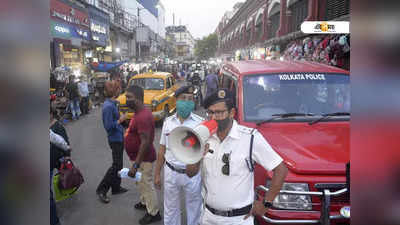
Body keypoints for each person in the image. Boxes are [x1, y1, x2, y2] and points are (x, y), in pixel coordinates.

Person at [186, 89, 288, 225]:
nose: (214, 117)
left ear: (232, 113)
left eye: (219, 112)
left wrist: (266, 204)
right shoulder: (204, 136)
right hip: (208, 217)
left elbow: (281, 169)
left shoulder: (250, 138)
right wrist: (197, 154)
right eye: (210, 112)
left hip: (239, 219)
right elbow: (190, 173)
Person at [154, 86, 204, 225]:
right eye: (183, 98)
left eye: (190, 99)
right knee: (171, 209)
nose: (187, 101)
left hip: (192, 174)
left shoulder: (200, 123)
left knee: (194, 209)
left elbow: (204, 152)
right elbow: (162, 150)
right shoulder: (168, 122)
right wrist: (157, 173)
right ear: (176, 100)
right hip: (171, 171)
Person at [124, 85, 162, 225]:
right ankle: (144, 202)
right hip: (138, 158)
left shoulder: (143, 116)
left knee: (146, 183)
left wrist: (135, 165)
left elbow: (145, 142)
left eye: (129, 97)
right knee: (140, 182)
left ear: (138, 99)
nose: (126, 100)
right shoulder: (139, 112)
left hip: (143, 160)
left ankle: (154, 212)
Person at [96, 81, 129, 204]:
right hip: (114, 139)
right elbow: (108, 126)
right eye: (118, 89)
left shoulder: (113, 103)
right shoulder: (108, 106)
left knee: (119, 165)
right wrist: (120, 120)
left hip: (119, 137)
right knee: (116, 165)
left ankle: (116, 187)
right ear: (115, 91)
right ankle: (102, 189)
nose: (120, 91)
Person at [50, 107, 71, 225]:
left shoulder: (57, 126)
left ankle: (67, 188)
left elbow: (64, 141)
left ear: (52, 114)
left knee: (64, 175)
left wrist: (67, 155)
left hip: (58, 157)